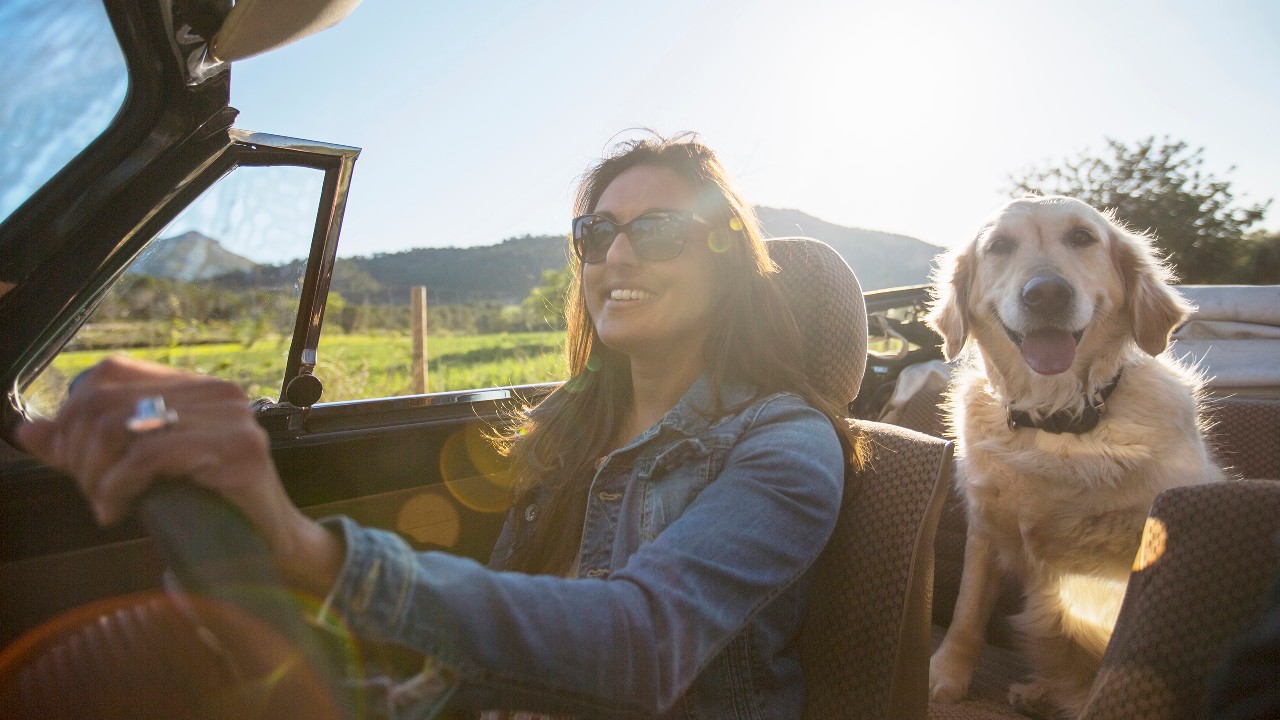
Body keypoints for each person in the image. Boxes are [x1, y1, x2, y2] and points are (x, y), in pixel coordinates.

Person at [17, 132, 861, 719]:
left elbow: (641, 645)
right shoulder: (569, 421)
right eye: (597, 232)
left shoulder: (786, 446)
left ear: (728, 263)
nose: (619, 256)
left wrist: (310, 554)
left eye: (660, 230)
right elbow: (507, 626)